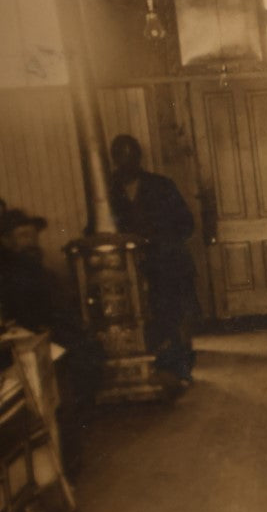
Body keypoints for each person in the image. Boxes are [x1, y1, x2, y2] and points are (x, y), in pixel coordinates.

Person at [0, 208, 102, 476]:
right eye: (23, 235)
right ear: (6, 241)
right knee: (59, 400)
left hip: (51, 343)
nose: (32, 241)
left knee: (79, 367)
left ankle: (67, 461)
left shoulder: (36, 270)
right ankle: (62, 467)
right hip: (24, 350)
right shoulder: (9, 274)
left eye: (33, 235)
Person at [108, 134, 201, 382]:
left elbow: (187, 224)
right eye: (121, 157)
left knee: (171, 318)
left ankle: (180, 370)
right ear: (114, 160)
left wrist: (161, 240)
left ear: (140, 157)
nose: (127, 162)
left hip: (166, 265)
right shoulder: (106, 192)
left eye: (132, 156)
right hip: (128, 270)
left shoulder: (161, 185)